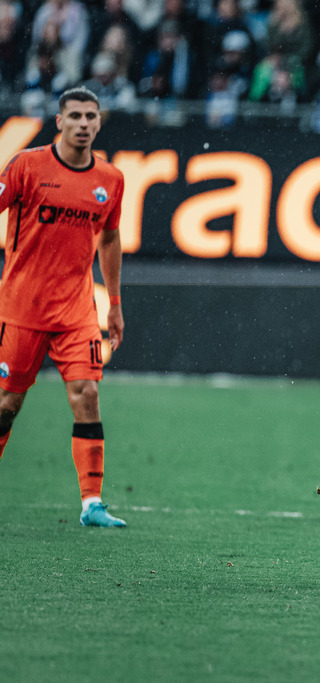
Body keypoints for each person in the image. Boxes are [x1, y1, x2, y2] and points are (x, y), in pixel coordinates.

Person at [0, 86, 127, 527]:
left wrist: (113, 302)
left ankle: (92, 502)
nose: (84, 124)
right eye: (75, 116)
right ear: (59, 121)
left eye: (91, 116)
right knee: (6, 405)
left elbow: (109, 239)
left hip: (75, 311)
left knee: (87, 396)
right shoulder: (27, 165)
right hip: (21, 308)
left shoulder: (110, 179)